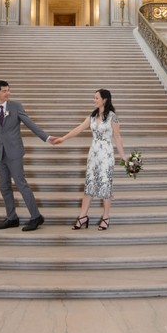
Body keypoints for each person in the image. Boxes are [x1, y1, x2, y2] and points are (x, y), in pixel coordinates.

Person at [52, 88, 126, 230]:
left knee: (105, 185)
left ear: (104, 99)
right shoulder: (92, 117)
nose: (94, 100)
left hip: (106, 155)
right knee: (89, 185)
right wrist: (63, 138)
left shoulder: (112, 117)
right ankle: (83, 216)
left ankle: (106, 217)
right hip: (93, 155)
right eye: (94, 98)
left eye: (96, 98)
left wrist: (124, 157)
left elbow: (117, 137)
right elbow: (79, 129)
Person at [0, 80, 53, 231]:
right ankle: (12, 218)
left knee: (21, 184)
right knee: (4, 187)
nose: (8, 93)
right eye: (4, 91)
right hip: (0, 153)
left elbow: (29, 123)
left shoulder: (16, 106)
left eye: (8, 90)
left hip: (15, 152)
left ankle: (36, 217)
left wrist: (46, 137)